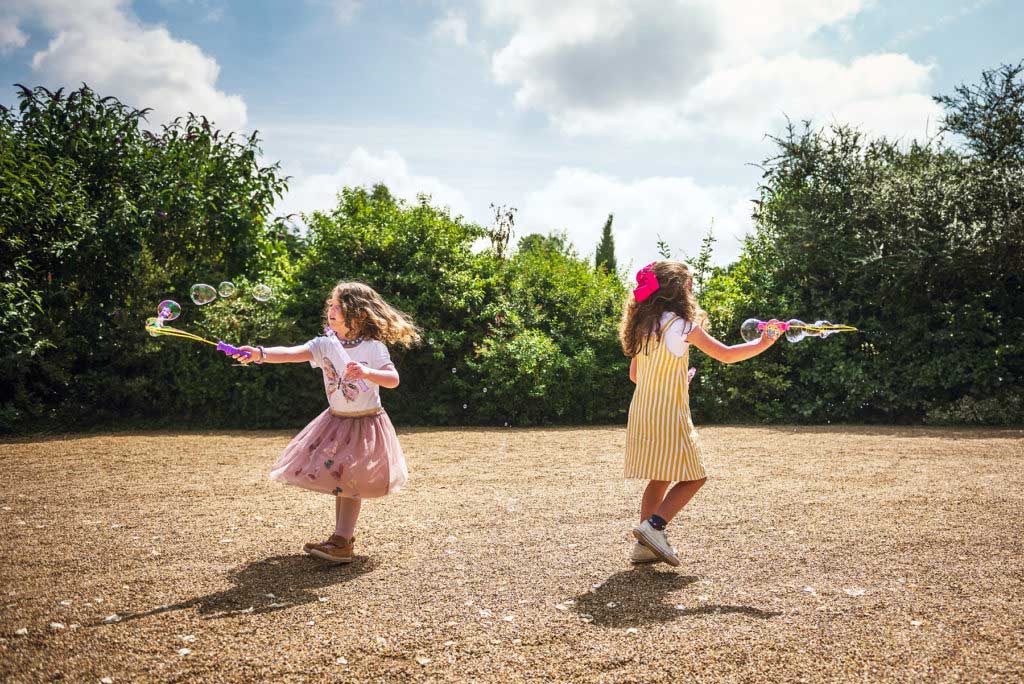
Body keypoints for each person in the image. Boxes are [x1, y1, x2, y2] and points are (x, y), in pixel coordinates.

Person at [235, 281, 419, 563]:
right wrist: (259, 353)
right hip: (337, 422)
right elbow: (290, 353)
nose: (330, 310)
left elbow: (392, 380)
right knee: (342, 481)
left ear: (357, 313)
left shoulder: (373, 348)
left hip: (366, 424)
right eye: (330, 305)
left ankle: (343, 541)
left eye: (337, 306)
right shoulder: (325, 344)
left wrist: (368, 371)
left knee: (352, 482)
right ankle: (340, 538)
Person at [620, 261, 780, 566]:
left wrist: (678, 378)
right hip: (669, 411)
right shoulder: (682, 325)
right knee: (695, 477)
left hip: (643, 409)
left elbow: (636, 376)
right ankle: (654, 527)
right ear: (678, 291)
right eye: (690, 285)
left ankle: (645, 547)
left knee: (659, 476)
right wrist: (764, 342)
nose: (693, 290)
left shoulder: (643, 327)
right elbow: (727, 355)